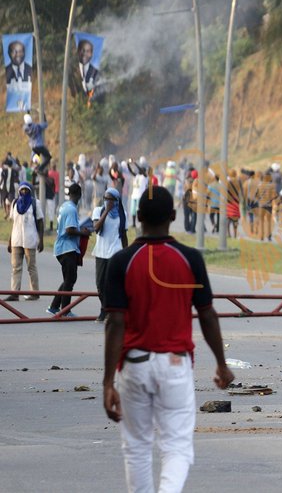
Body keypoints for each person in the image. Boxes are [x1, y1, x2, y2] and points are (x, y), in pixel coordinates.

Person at [102, 186, 235, 493]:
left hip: (133, 366)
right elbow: (207, 314)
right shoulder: (190, 258)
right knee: (177, 447)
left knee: (136, 447)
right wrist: (221, 364)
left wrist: (108, 382)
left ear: (137, 217)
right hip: (175, 366)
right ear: (173, 216)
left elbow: (115, 323)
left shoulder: (121, 261)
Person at [47, 183, 91, 318]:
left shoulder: (64, 206)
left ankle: (54, 307)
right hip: (67, 247)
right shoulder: (72, 209)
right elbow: (69, 230)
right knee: (70, 279)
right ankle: (65, 310)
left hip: (62, 247)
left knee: (68, 279)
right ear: (79, 195)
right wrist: (83, 233)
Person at [92, 188, 128, 323]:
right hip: (101, 252)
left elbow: (123, 235)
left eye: (110, 199)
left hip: (115, 252)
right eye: (105, 199)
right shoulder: (98, 211)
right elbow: (96, 228)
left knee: (111, 284)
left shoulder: (122, 214)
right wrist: (106, 211)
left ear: (116, 200)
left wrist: (127, 254)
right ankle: (106, 308)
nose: (107, 202)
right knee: (100, 284)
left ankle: (105, 311)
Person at [5, 182, 44, 301]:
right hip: (16, 240)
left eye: (26, 190)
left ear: (30, 191)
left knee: (31, 267)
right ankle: (14, 293)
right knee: (15, 267)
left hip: (30, 239)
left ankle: (34, 292)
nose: (24, 192)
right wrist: (10, 241)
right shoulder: (15, 203)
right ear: (19, 191)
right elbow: (14, 224)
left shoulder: (35, 203)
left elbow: (40, 222)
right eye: (22, 190)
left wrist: (41, 240)